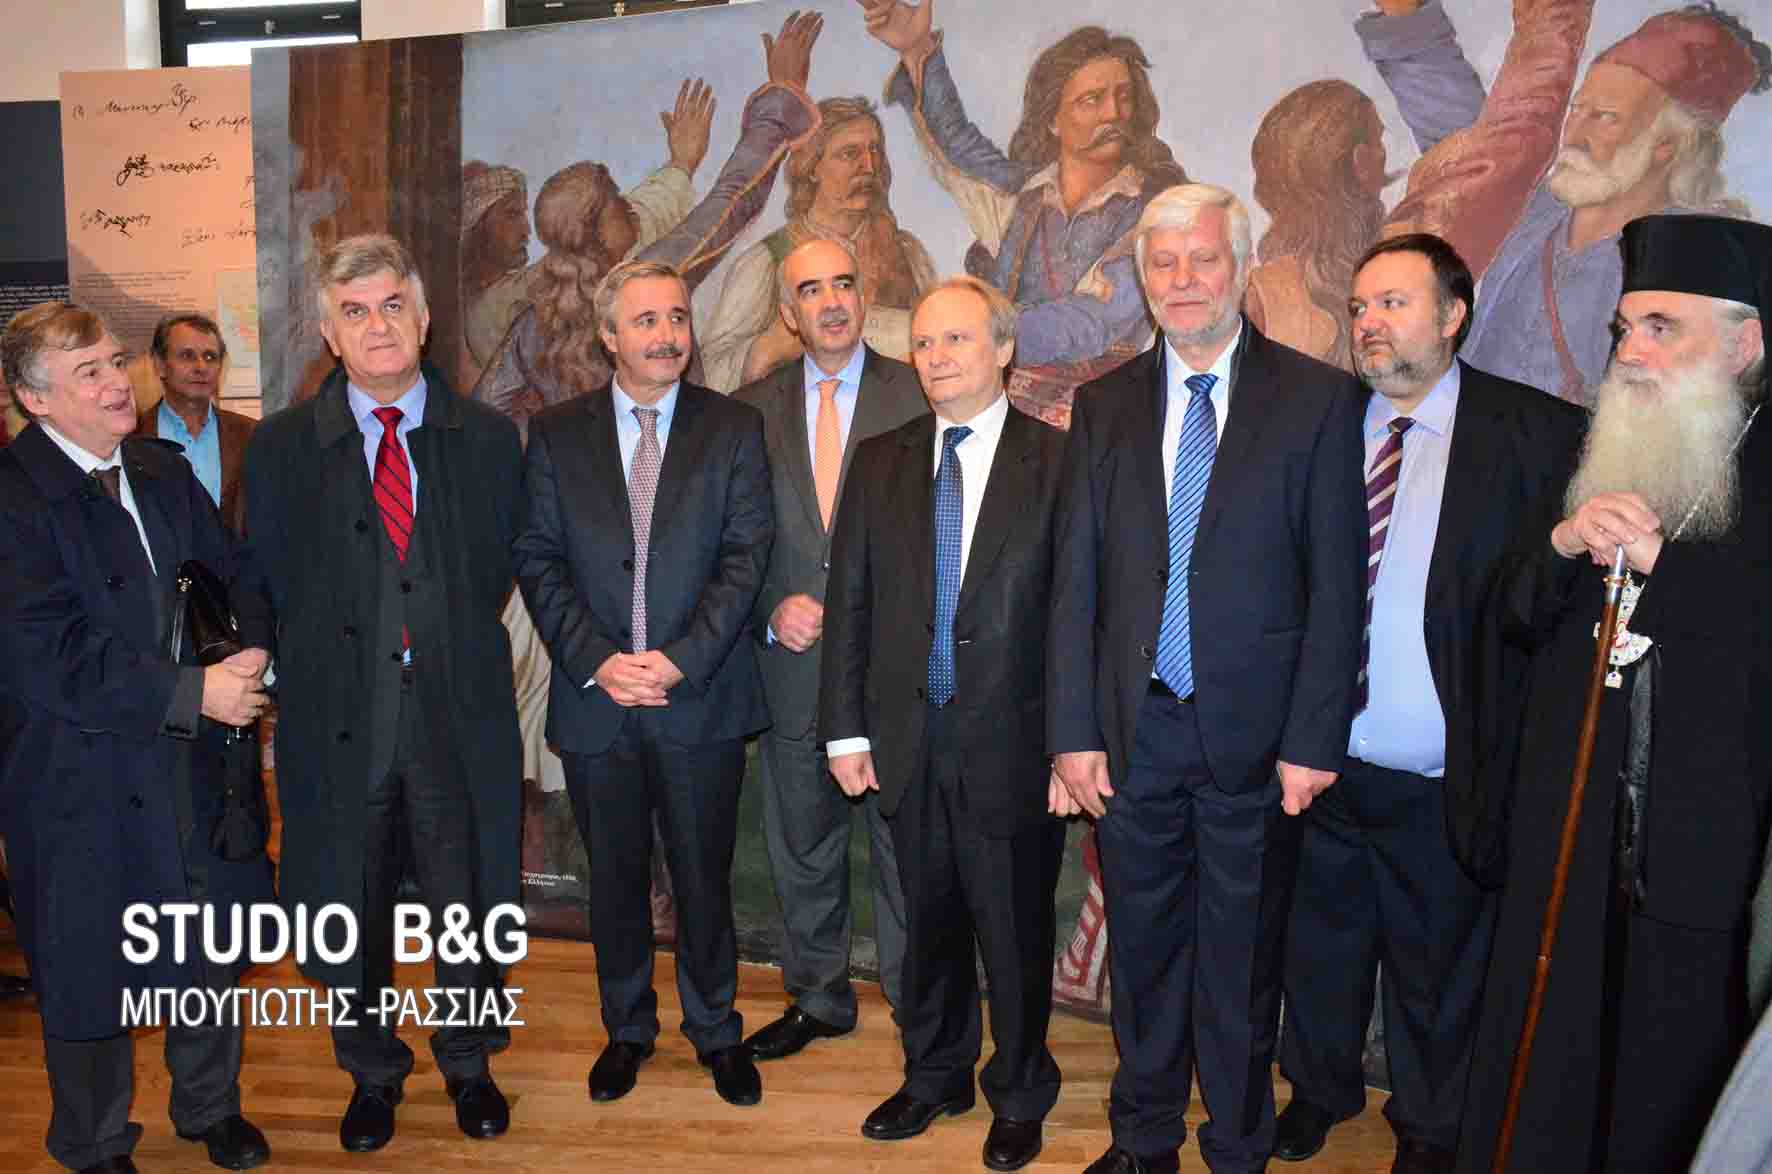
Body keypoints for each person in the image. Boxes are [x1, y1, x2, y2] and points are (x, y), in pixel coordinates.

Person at [1048, 183, 1367, 1174]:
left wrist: (1312, 739)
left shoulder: (1316, 400)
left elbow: (1337, 588)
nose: (1182, 280)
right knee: (1142, 954)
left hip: (1257, 743)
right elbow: (1076, 582)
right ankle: (1142, 1139)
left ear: (1239, 267)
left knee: (1240, 963)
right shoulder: (1102, 406)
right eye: (1163, 263)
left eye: (1202, 259)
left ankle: (1235, 1145)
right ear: (1142, 278)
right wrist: (1072, 731)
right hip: (1133, 733)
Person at [1455, 214, 1772, 1173]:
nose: (1629, 351)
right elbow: (1508, 617)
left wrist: (1664, 566)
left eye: (1661, 327)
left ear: (1746, 343)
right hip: (1568, 824)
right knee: (1545, 1057)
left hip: (1696, 846)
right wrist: (1561, 543)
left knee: (1661, 1075)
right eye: (1626, 327)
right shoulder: (1598, 443)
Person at [1272, 234, 1585, 1173]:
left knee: (1438, 972)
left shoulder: (1535, 434)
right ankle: (1319, 1091)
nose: (1369, 323)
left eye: (1394, 303)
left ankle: (1429, 1127)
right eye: (1360, 307)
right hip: (1321, 765)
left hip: (1448, 777)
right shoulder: (1320, 424)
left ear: (1453, 315)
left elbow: (1548, 608)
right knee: (1318, 953)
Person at [242, 234, 525, 1152]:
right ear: (329, 334)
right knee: (349, 900)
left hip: (456, 714)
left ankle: (470, 1062)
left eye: (392, 305)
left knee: (465, 896)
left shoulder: (489, 440)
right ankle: (371, 1071)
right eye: (355, 313)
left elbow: (494, 571)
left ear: (424, 317)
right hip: (339, 723)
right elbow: (261, 580)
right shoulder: (283, 448)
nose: (377, 327)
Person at [0, 301, 274, 1173]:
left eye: (117, 362)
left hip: (189, 761)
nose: (119, 383)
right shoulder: (12, 500)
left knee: (203, 938)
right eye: (90, 372)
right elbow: (50, 654)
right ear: (35, 399)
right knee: (88, 961)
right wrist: (195, 692)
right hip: (77, 773)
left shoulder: (159, 470)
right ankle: (93, 1140)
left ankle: (210, 1106)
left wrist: (252, 646)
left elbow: (230, 573)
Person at [820, 275, 1068, 1171]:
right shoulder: (880, 461)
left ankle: (1020, 1090)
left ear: (1004, 348)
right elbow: (850, 602)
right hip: (905, 738)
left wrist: (1073, 744)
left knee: (1014, 932)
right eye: (923, 343)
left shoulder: (1060, 463)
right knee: (924, 927)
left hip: (1017, 746)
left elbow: (1080, 616)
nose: (936, 358)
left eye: (956, 339)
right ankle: (935, 1075)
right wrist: (845, 729)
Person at [514, 259, 773, 1108]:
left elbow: (746, 556)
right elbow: (538, 558)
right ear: (608, 335)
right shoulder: (557, 433)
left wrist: (679, 658)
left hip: (697, 696)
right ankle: (626, 1030)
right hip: (599, 703)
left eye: (677, 318)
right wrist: (598, 660)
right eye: (646, 321)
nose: (667, 336)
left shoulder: (733, 428)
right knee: (616, 884)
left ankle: (716, 1030)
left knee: (703, 880)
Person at [1359, 0, 1769, 403]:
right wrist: (1405, 15)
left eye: (1605, 117)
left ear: (1668, 144)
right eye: (1578, 110)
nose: (1574, 135)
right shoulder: (1532, 211)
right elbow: (1466, 137)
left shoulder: (1683, 270)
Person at [734, 238, 925, 1062]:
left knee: (904, 849)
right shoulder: (747, 411)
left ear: (863, 294)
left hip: (893, 674)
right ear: (789, 312)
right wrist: (770, 608)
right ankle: (817, 997)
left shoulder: (918, 393)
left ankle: (921, 1004)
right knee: (801, 844)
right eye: (811, 290)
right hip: (793, 669)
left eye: (844, 283)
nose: (832, 301)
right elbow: (728, 541)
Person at [472, 10, 822, 434]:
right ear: (598, 232)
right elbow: (733, 198)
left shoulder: (532, 322)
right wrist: (783, 93)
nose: (629, 206)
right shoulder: (653, 279)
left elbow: (485, 413)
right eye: (617, 200)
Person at [858, 0, 1187, 423]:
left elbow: (1094, 322)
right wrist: (917, 49)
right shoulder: (1024, 194)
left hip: (1101, 421)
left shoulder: (1156, 209)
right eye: (1092, 99)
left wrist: (963, 336)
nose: (1113, 113)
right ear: (1053, 120)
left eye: (1123, 97)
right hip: (1001, 413)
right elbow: (957, 147)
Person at [702, 97, 937, 390]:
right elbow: (711, 372)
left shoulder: (908, 253)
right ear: (811, 167)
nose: (869, 167)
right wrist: (764, 349)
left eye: (875, 150)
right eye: (850, 154)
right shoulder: (768, 260)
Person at [134, 312, 257, 533]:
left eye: (210, 357)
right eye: (187, 356)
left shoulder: (251, 435)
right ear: (160, 365)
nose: (201, 367)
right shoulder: (132, 437)